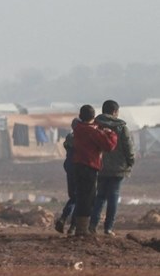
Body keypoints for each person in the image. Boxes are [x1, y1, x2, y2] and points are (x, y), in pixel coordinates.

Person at [70, 105, 117, 236]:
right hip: (89, 166)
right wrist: (110, 133)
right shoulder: (93, 132)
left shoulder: (78, 128)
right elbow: (109, 146)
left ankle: (79, 227)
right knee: (88, 197)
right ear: (93, 116)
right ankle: (82, 229)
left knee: (80, 196)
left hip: (78, 165)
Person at [89, 100, 135, 236]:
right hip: (118, 168)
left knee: (100, 196)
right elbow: (129, 148)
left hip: (100, 166)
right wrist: (130, 162)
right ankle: (108, 228)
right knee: (113, 197)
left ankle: (93, 225)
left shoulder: (96, 126)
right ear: (115, 112)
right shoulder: (121, 128)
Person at [55, 118, 80, 235]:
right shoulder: (82, 138)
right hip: (80, 169)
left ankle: (63, 218)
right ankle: (73, 226)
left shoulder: (69, 137)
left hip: (70, 168)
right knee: (79, 199)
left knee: (73, 197)